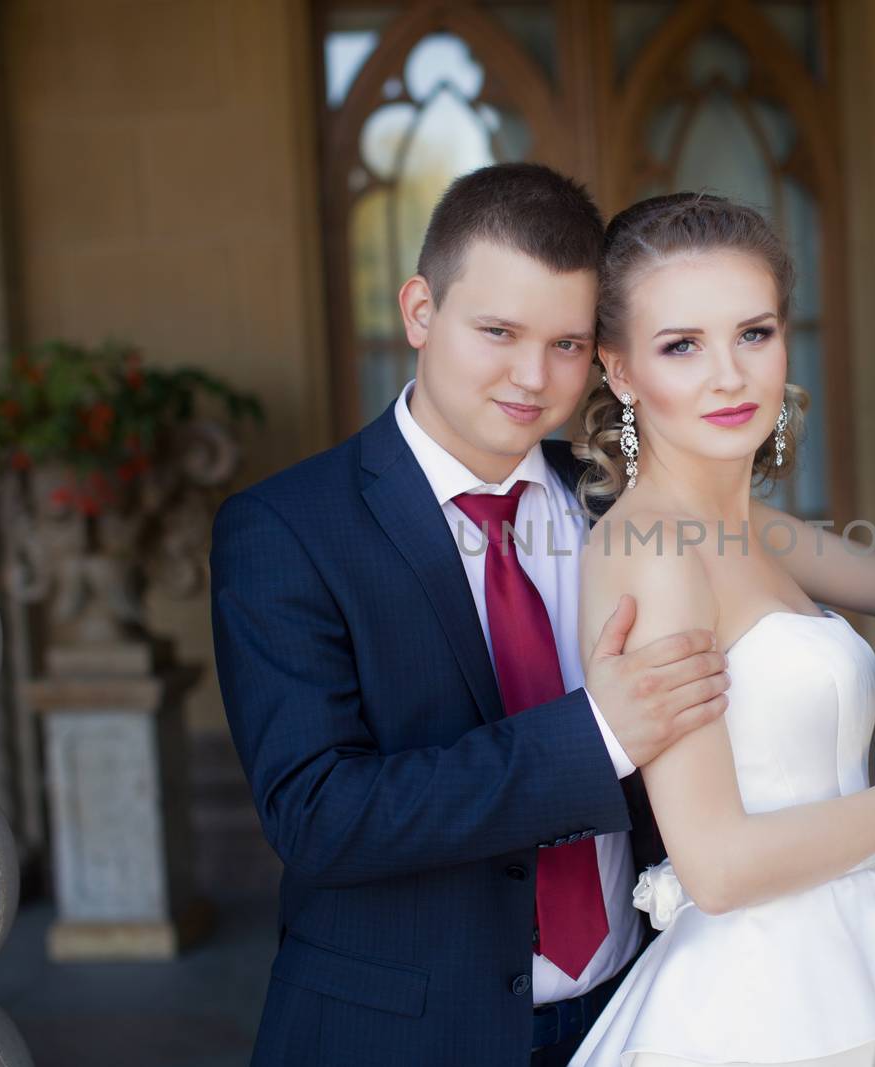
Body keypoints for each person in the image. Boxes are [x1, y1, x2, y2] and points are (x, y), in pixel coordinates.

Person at [209, 164, 734, 1066]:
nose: (532, 377)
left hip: (638, 1011)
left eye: (568, 344)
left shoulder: (621, 504)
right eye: (497, 331)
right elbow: (317, 814)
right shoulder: (285, 529)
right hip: (405, 1032)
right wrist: (598, 735)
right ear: (420, 310)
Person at [568, 193, 875, 1067]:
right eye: (681, 345)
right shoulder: (655, 550)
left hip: (856, 951)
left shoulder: (749, 526)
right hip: (763, 1010)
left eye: (754, 333)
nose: (729, 375)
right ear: (620, 371)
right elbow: (718, 865)